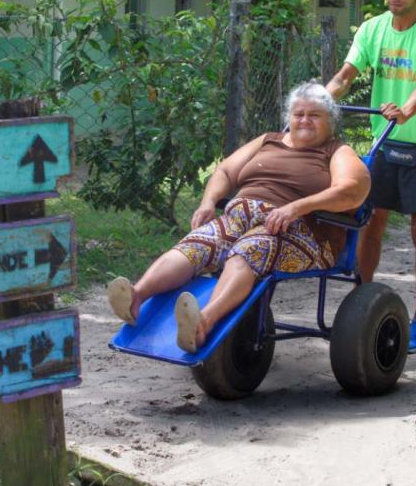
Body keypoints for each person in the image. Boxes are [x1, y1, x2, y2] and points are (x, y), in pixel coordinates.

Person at [107, 83, 370, 353]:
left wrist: (296, 208)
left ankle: (202, 323)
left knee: (249, 250)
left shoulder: (337, 151)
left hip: (296, 231)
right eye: (298, 113)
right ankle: (136, 297)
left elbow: (352, 191)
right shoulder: (269, 140)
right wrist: (209, 202)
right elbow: (225, 171)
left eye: (314, 115)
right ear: (288, 118)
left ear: (331, 121)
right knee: (198, 242)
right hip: (238, 220)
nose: (304, 120)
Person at [325, 0, 416, 354]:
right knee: (370, 221)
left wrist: (407, 111)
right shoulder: (373, 29)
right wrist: (318, 101)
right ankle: (360, 308)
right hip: (384, 141)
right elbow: (346, 76)